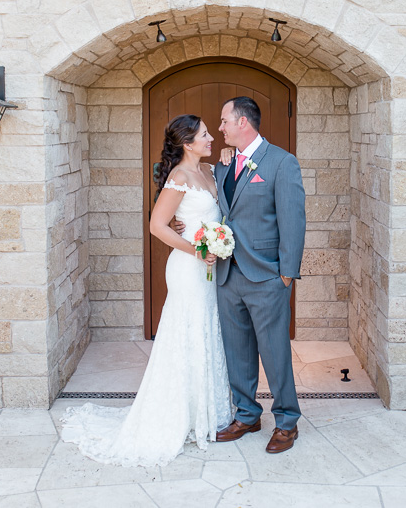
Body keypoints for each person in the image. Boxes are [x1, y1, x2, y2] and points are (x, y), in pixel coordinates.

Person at [60, 114, 232, 467]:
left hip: (210, 267)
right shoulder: (179, 177)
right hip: (188, 268)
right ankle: (178, 415)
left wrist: (230, 154)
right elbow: (157, 226)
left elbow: (219, 208)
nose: (211, 137)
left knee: (205, 332)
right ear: (187, 143)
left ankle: (206, 411)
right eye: (204, 134)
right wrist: (198, 250)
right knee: (186, 334)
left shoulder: (212, 171)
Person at [213, 96, 307, 454]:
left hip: (267, 277)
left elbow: (293, 221)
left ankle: (286, 421)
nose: (219, 128)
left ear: (243, 123)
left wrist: (286, 274)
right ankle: (247, 414)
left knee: (274, 352)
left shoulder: (282, 163)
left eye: (224, 121)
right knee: (237, 351)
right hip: (228, 275)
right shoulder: (223, 165)